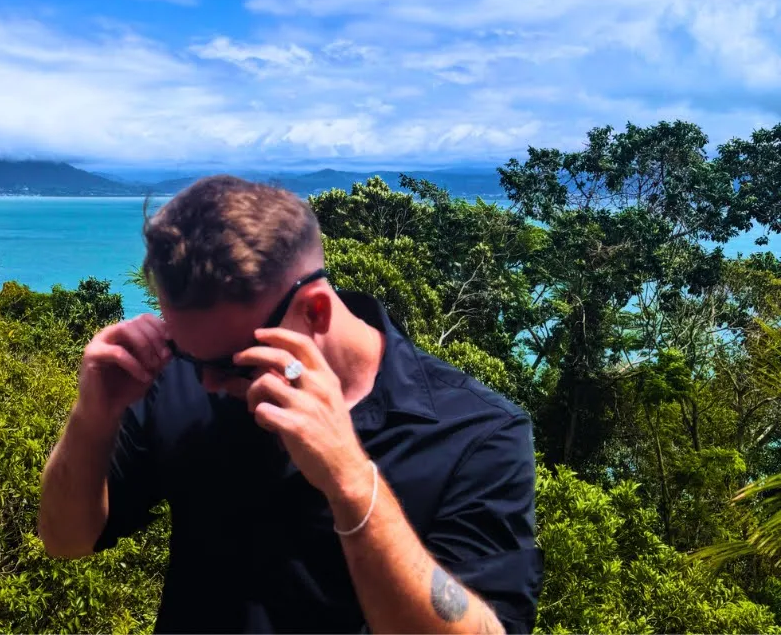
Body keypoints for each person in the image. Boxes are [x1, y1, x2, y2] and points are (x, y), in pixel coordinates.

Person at [37, 175, 543, 634]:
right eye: (189, 355)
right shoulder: (179, 378)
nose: (208, 383)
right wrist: (93, 416)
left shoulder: (475, 433)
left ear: (316, 310)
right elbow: (66, 539)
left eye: (235, 363)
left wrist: (349, 479)